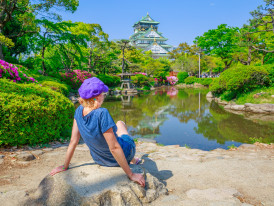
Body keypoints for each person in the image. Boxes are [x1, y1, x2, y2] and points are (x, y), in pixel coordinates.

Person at [50, 77, 145, 187]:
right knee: (120, 124)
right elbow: (114, 148)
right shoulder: (101, 113)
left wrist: (64, 166)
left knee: (116, 132)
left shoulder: (78, 110)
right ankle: (132, 158)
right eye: (103, 93)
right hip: (119, 157)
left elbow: (73, 141)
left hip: (100, 160)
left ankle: (134, 159)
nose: (104, 95)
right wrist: (131, 174)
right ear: (97, 97)